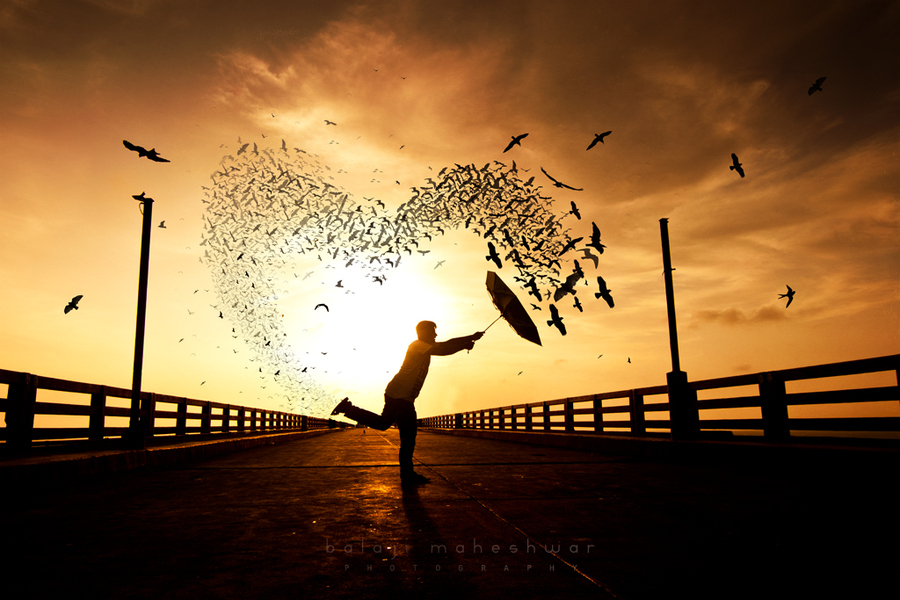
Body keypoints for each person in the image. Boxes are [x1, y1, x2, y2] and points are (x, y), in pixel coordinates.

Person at [331, 320, 484, 485]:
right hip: (400, 397)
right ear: (423, 332)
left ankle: (349, 409)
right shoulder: (417, 345)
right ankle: (407, 475)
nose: (435, 335)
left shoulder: (424, 346)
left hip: (396, 393)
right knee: (408, 437)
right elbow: (445, 349)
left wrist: (471, 337)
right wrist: (464, 345)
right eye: (433, 332)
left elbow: (447, 344)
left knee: (384, 424)